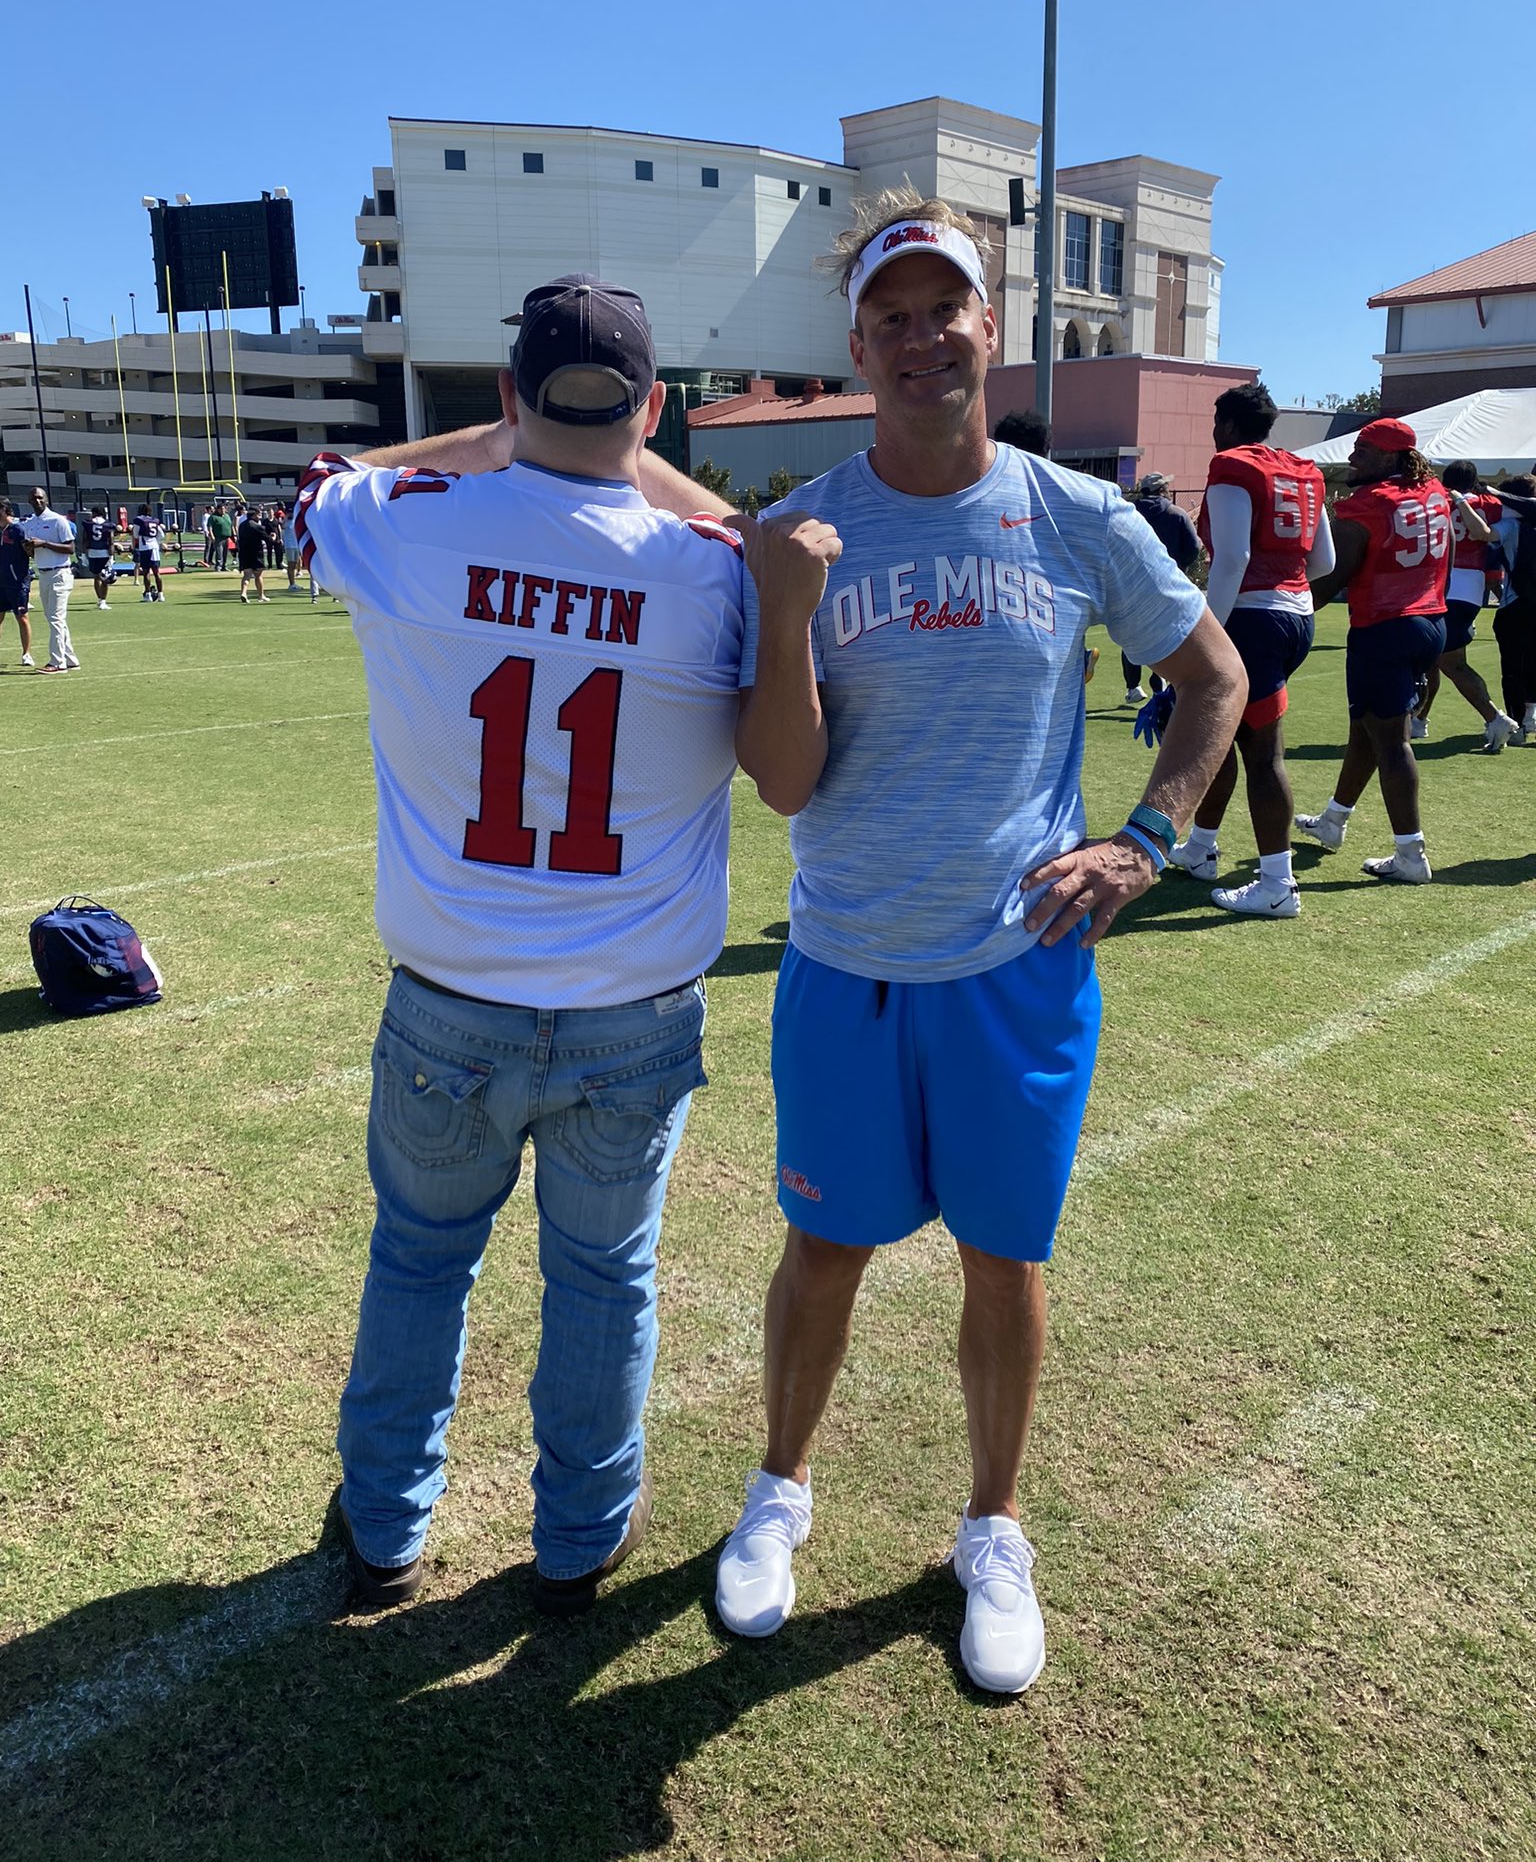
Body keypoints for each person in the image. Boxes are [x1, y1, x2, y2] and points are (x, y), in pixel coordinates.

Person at [714, 194, 1245, 1696]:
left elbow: (1211, 678)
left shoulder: (1077, 514)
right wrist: (786, 609)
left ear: (988, 328)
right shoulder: (801, 530)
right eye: (891, 317)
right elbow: (784, 782)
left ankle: (994, 1527)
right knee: (825, 1249)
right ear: (858, 346)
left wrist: (1143, 843)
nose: (921, 339)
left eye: (944, 309)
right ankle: (779, 1489)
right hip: (847, 962)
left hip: (1018, 971)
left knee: (1005, 1264)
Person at [303, 274, 767, 1617]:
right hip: (634, 1009)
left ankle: (384, 1527)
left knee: (419, 1258)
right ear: (654, 409)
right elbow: (747, 540)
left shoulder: (409, 528)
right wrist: (621, 465)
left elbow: (326, 483)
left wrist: (496, 445)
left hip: (450, 995)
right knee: (606, 1278)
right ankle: (579, 1532)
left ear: (510, 395)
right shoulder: (711, 572)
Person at [1169, 383, 1333, 919]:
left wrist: (1206, 632)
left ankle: (1277, 884)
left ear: (1229, 424)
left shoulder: (1233, 466)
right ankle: (1200, 848)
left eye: (1217, 424)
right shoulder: (1304, 470)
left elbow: (1234, 557)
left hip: (1252, 620)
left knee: (1263, 756)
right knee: (1221, 736)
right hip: (1296, 614)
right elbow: (1324, 561)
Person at [1295, 418, 1452, 883]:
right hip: (1431, 620)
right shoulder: (1433, 491)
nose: (1352, 457)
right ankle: (1334, 819)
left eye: (1363, 451)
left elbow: (1329, 580)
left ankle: (1411, 853)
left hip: (1384, 626)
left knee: (1391, 741)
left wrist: (1285, 603)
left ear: (1389, 457)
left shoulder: (1368, 505)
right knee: (1366, 728)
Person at [1412, 460, 1517, 750]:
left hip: (1442, 584)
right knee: (1431, 657)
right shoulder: (1489, 504)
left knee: (1450, 661)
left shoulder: (1436, 501)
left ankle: (1495, 718)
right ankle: (1419, 720)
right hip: (1471, 587)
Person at [992, 409, 1100, 686]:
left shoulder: (991, 494)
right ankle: (1080, 657)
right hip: (1054, 598)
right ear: (1045, 449)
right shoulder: (1071, 496)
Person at [1120, 472, 1202, 702]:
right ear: (1162, 490)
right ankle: (1160, 680)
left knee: (1131, 635)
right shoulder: (1176, 514)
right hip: (1169, 584)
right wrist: (1180, 567)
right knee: (1166, 633)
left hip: (1131, 583)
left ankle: (1133, 687)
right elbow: (1193, 548)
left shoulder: (1128, 512)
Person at [1490, 474, 1536, 740]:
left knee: (1512, 668)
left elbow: (1485, 535)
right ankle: (1530, 717)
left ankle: (1517, 724)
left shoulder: (1509, 525)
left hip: (1514, 604)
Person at [22, 488, 79, 672]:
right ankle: (70, 659)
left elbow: (70, 548)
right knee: (53, 617)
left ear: (46, 499)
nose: (37, 501)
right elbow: (32, 551)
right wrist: (29, 548)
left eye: (40, 498)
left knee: (56, 618)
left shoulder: (57, 520)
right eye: (34, 498)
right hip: (44, 573)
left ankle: (57, 662)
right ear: (29, 501)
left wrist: (44, 543)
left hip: (60, 572)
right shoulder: (30, 523)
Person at [0, 498, 37, 666]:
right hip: (1, 581)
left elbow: (30, 552)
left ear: (3, 509)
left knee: (22, 616)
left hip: (17, 581)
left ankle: (26, 654)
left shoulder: (18, 529)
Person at [82, 505, 116, 608]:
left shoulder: (88, 523)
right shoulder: (108, 524)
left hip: (92, 553)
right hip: (104, 553)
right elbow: (111, 541)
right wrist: (111, 556)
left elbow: (85, 540)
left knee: (96, 577)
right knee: (105, 577)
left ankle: (100, 599)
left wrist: (84, 554)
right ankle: (103, 601)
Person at [133, 505, 167, 602]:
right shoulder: (155, 520)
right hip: (154, 547)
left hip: (145, 548)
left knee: (146, 572)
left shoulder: (138, 520)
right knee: (156, 572)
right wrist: (154, 540)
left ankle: (148, 595)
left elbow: (135, 534)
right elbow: (162, 534)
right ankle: (161, 595)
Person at [236, 505, 269, 602]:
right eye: (259, 515)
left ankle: (244, 593)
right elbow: (267, 539)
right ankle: (261, 595)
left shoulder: (242, 525)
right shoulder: (256, 526)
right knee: (258, 575)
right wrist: (273, 538)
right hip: (256, 553)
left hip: (244, 553)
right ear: (254, 515)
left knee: (247, 575)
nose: (260, 517)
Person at [282, 502, 304, 591]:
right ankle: (291, 584)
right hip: (289, 546)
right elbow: (282, 526)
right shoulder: (286, 522)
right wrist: (286, 517)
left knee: (295, 564)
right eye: (289, 512)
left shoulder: (295, 520)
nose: (291, 514)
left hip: (296, 545)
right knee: (291, 565)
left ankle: (294, 583)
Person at [208, 502, 233, 571]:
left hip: (226, 537)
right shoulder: (213, 517)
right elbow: (210, 527)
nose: (223, 510)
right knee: (219, 553)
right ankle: (218, 566)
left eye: (224, 509)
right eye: (221, 509)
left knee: (225, 553)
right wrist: (212, 536)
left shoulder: (227, 516)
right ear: (217, 509)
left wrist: (233, 535)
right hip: (218, 538)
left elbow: (231, 525)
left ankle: (224, 566)